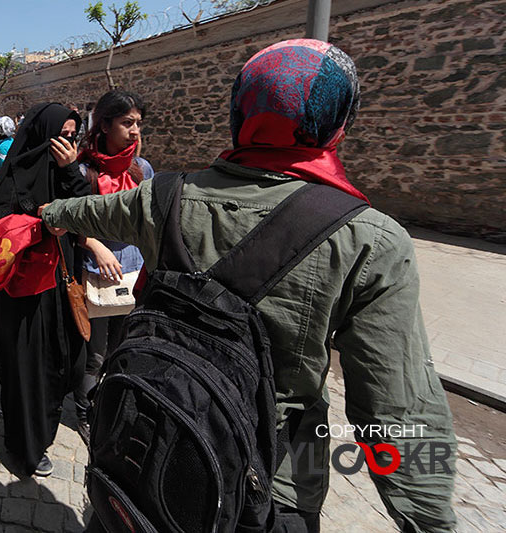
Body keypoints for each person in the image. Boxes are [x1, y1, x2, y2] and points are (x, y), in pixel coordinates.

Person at [40, 40, 456, 532]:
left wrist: (47, 215)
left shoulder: (165, 194)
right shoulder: (370, 239)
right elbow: (398, 407)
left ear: (240, 114)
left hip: (151, 433)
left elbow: (81, 213)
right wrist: (429, 521)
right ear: (339, 124)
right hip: (281, 477)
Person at [0, 103, 91, 478]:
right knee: (25, 371)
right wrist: (42, 225)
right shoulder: (17, 174)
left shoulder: (67, 171)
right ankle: (25, 448)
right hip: (22, 296)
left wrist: (70, 170)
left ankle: (43, 428)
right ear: (43, 134)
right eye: (61, 136)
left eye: (73, 137)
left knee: (60, 363)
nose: (67, 144)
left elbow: (87, 211)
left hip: (59, 290)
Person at [72, 90, 154, 444]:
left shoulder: (142, 168)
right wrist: (93, 243)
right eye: (126, 123)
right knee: (96, 353)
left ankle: (112, 407)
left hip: (134, 274)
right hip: (94, 274)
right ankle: (85, 412)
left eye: (138, 123)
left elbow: (150, 219)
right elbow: (66, 219)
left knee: (123, 349)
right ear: (104, 125)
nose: (135, 131)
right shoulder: (83, 170)